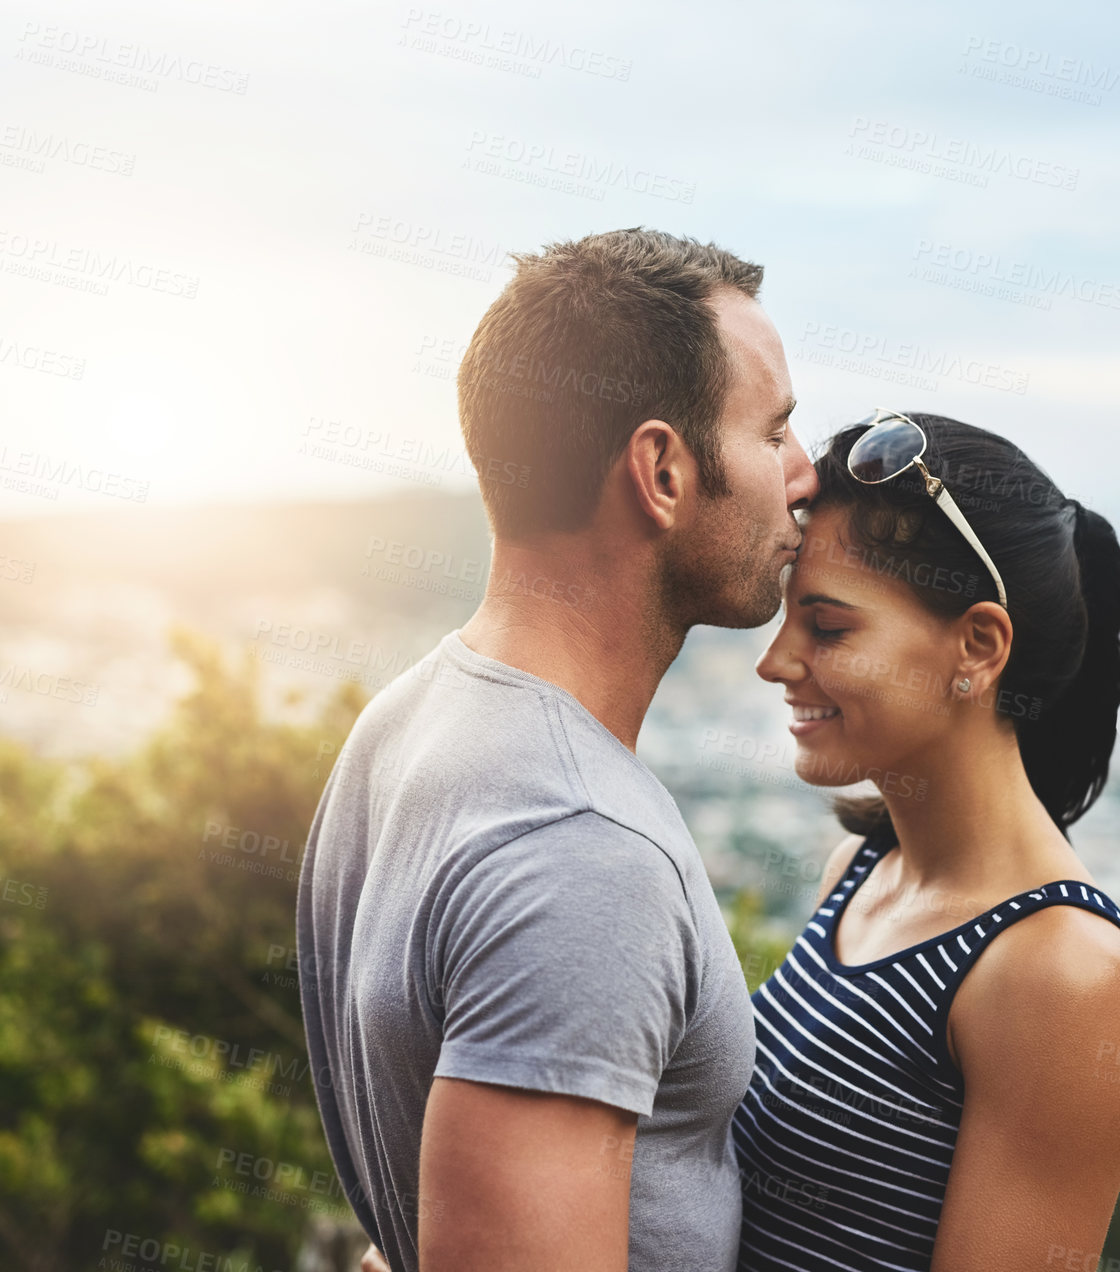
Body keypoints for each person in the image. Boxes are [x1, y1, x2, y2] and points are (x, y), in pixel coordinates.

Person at [297, 227, 818, 1272]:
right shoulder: (581, 850)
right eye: (773, 435)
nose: (806, 477)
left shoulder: (406, 720)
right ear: (662, 471)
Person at [734, 409, 1120, 1270]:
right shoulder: (857, 874)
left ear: (977, 645)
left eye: (827, 626)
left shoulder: (1062, 971)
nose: (775, 662)